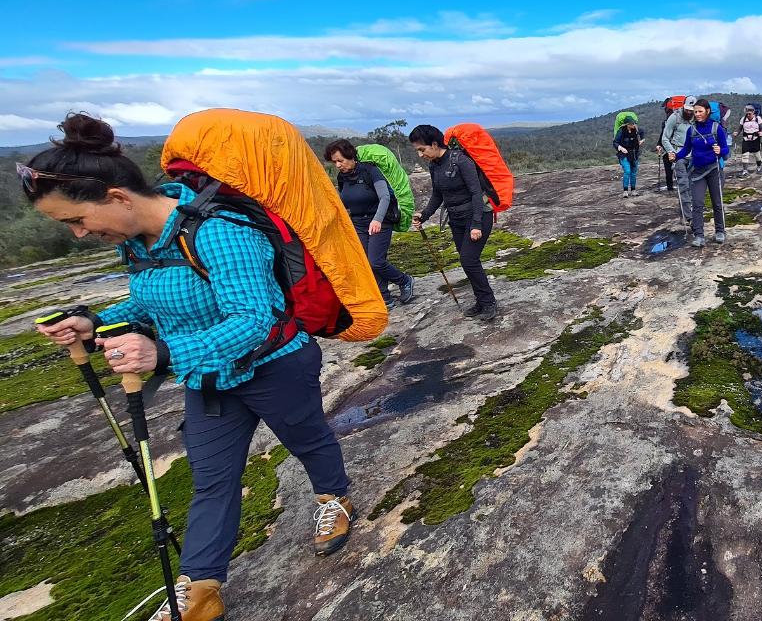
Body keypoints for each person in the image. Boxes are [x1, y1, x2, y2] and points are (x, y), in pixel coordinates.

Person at [28, 113, 354, 621]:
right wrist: (94, 323)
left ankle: (334, 496)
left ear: (117, 198)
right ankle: (199, 589)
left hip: (275, 366)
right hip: (210, 377)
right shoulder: (137, 243)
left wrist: (162, 356)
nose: (76, 234)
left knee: (307, 437)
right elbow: (149, 305)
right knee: (212, 479)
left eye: (76, 220)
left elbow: (255, 320)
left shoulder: (220, 231)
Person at [408, 124, 498, 321]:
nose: (421, 155)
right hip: (456, 219)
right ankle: (481, 302)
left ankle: (489, 302)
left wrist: (475, 225)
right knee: (468, 262)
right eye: (418, 151)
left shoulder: (461, 161)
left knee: (469, 259)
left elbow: (476, 193)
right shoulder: (434, 166)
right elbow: (438, 194)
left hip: (478, 215)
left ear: (434, 144)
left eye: (422, 149)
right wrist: (424, 215)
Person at [324, 139, 414, 309]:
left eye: (340, 160)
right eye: (334, 161)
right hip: (358, 223)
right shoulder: (342, 177)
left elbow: (385, 197)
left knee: (376, 261)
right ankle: (385, 298)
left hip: (379, 221)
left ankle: (405, 280)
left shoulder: (370, 171)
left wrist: (378, 219)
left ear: (350, 156)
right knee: (367, 262)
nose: (337, 165)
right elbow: (344, 202)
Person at [674, 99, 731, 247]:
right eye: (695, 112)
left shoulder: (716, 128)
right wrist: (675, 155)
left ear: (707, 111)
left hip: (714, 170)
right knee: (697, 203)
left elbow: (726, 150)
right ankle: (699, 236)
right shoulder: (691, 130)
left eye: (700, 111)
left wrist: (721, 150)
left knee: (717, 203)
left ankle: (720, 231)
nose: (697, 114)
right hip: (697, 172)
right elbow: (686, 150)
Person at [660, 96, 697, 224]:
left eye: (691, 110)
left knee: (693, 186)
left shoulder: (697, 118)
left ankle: (685, 214)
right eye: (687, 109)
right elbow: (665, 138)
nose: (689, 112)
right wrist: (671, 152)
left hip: (694, 156)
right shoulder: (674, 117)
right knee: (683, 185)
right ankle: (688, 217)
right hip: (679, 156)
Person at [614, 117, 644, 198]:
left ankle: (633, 190)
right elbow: (615, 142)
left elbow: (643, 133)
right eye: (632, 124)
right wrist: (621, 148)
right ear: (627, 124)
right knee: (627, 171)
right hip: (624, 153)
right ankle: (625, 191)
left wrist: (642, 140)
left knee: (634, 172)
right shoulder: (621, 131)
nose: (633, 125)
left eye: (634, 123)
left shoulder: (637, 130)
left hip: (634, 153)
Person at [735, 105, 762, 175]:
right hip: (746, 138)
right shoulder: (743, 119)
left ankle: (759, 166)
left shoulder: (758, 118)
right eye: (747, 113)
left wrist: (761, 132)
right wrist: (737, 133)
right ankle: (745, 170)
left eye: (749, 114)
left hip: (756, 138)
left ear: (753, 112)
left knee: (756, 154)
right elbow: (740, 128)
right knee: (745, 154)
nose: (748, 115)